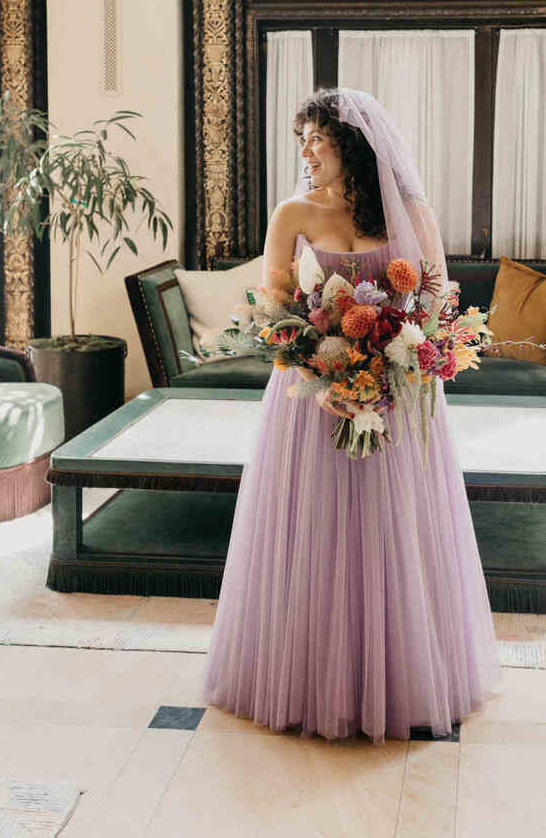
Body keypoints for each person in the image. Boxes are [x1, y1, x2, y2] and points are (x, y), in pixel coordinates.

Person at [202, 88, 499, 741]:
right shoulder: (292, 212)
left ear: (352, 145)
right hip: (315, 396)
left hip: (400, 388)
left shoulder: (409, 209)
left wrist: (399, 363)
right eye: (301, 139)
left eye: (318, 138)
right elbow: (273, 312)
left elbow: (433, 297)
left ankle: (405, 677)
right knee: (319, 531)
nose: (306, 152)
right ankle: (312, 679)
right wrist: (319, 375)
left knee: (398, 529)